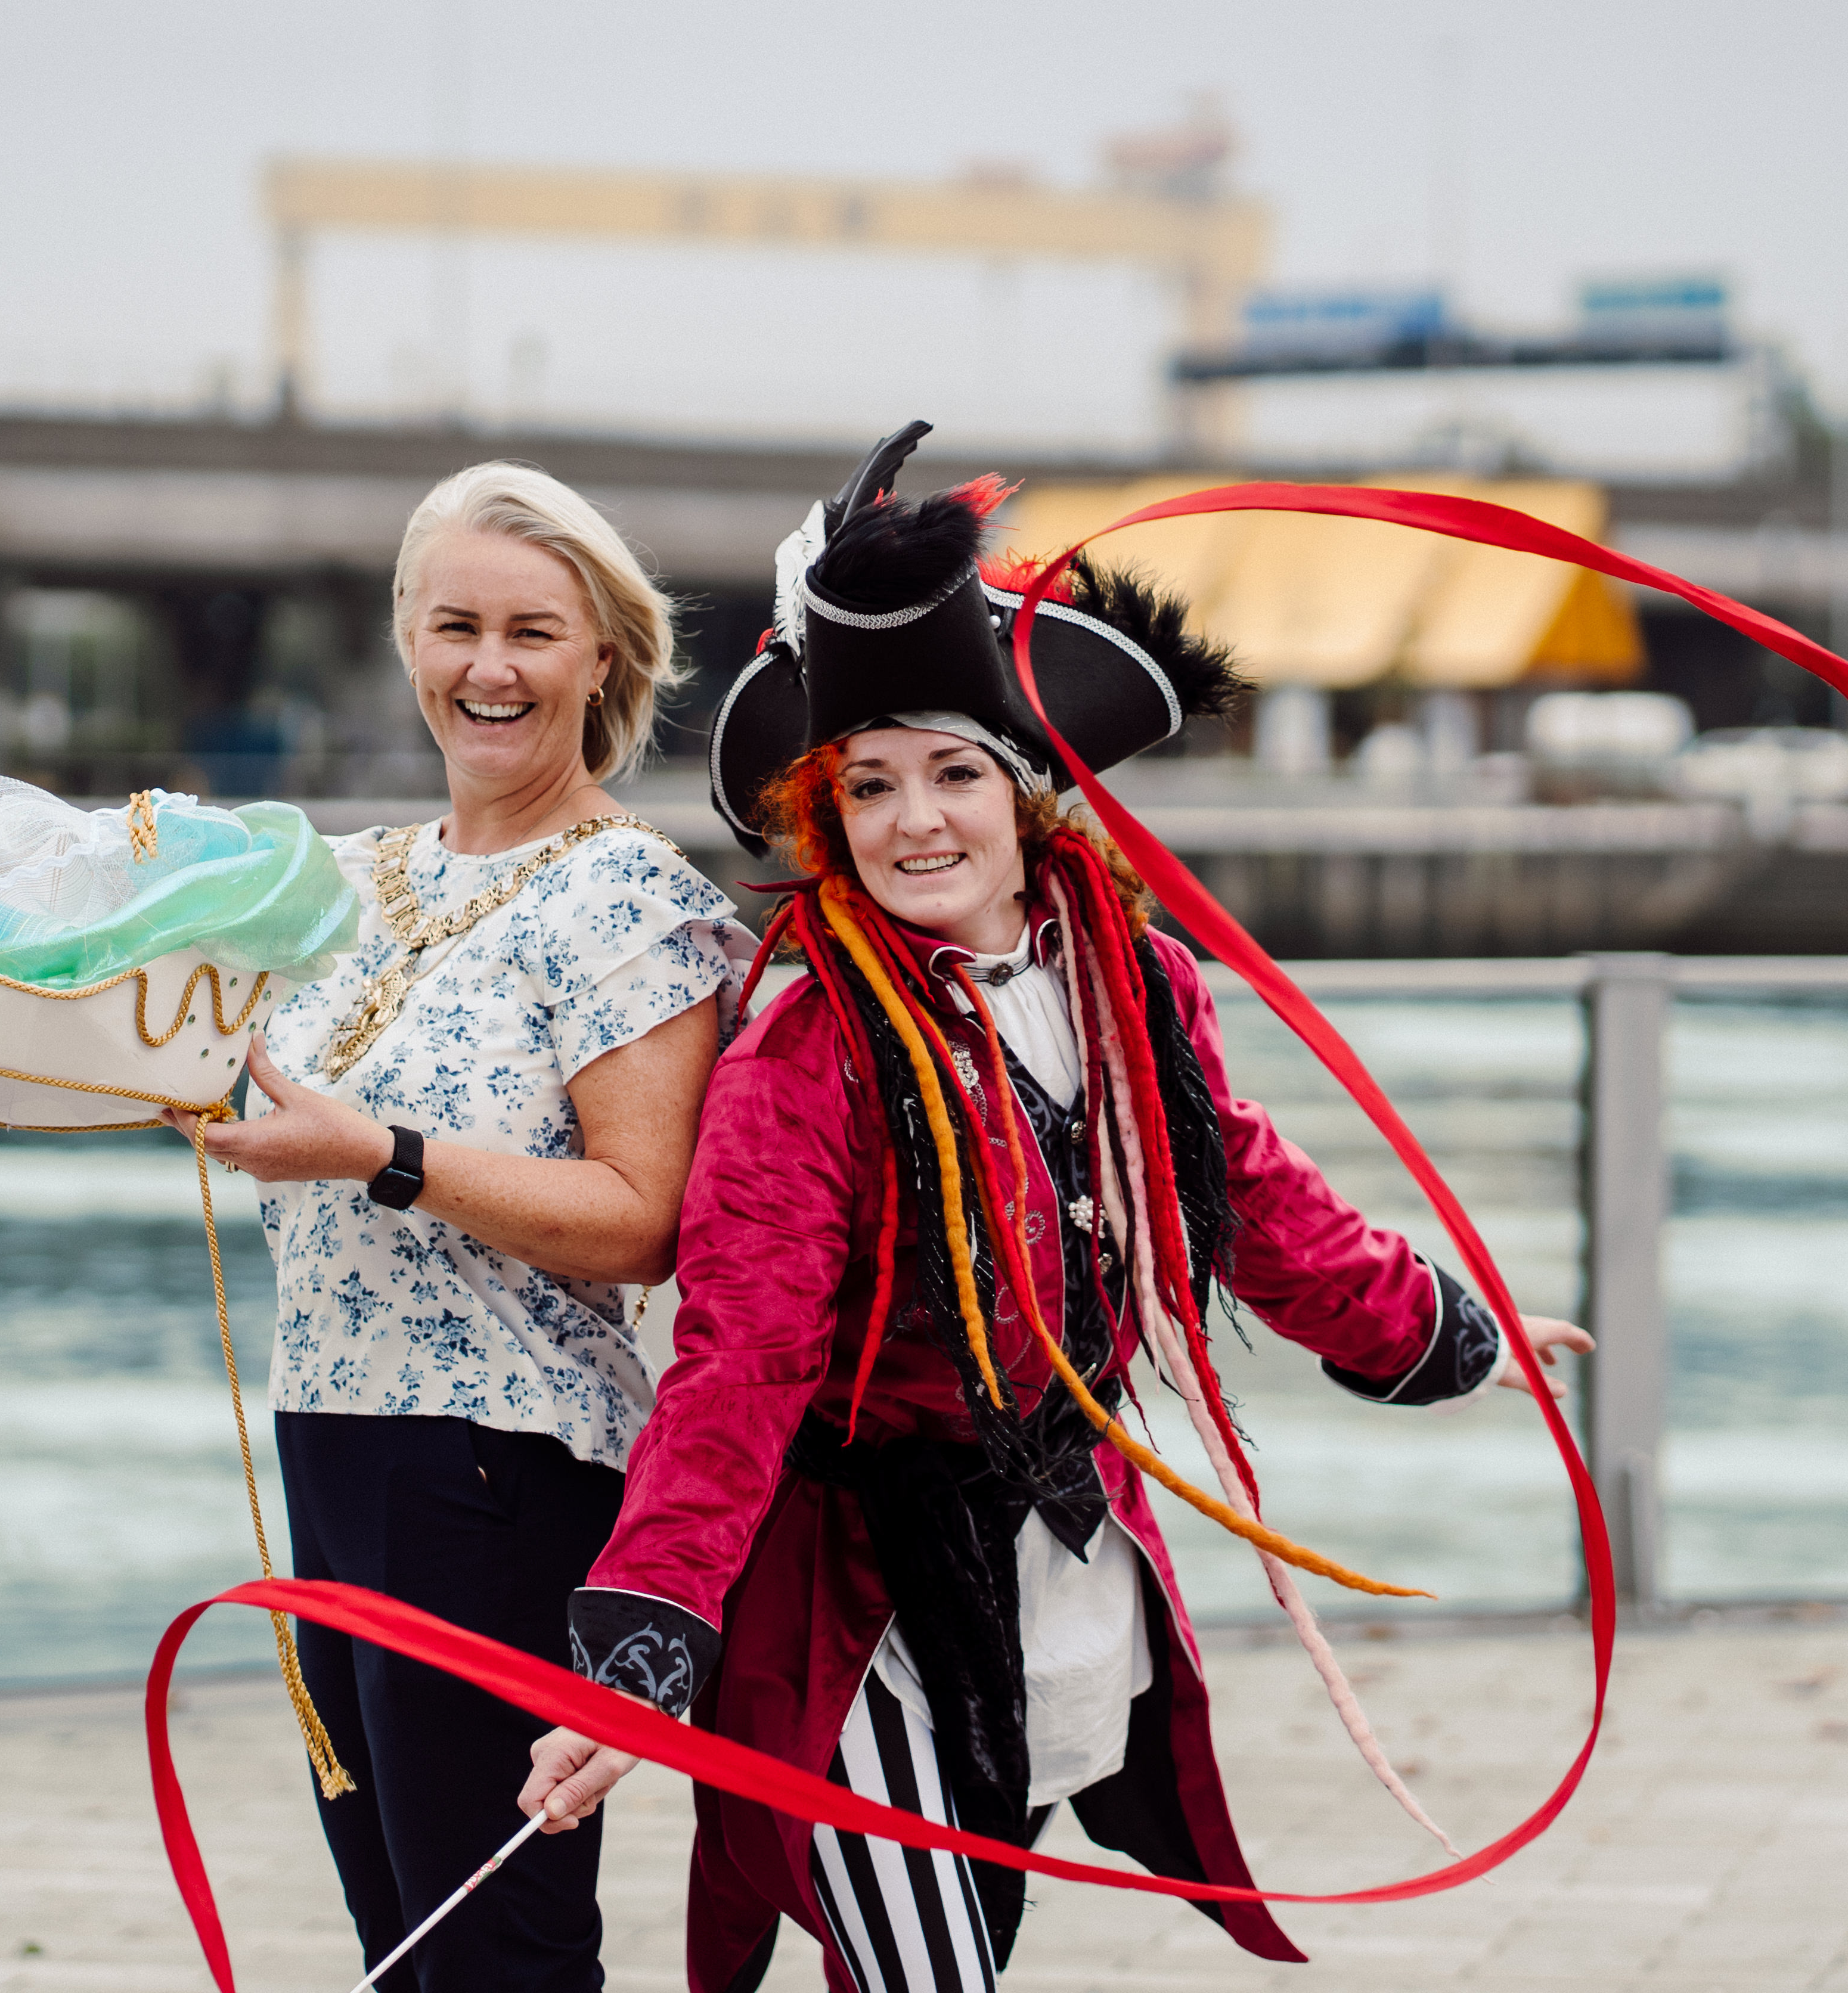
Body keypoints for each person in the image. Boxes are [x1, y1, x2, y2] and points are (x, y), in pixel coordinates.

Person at [514, 426, 1590, 1993]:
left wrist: (1449, 1336)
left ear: (1028, 798)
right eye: (869, 785)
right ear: (826, 812)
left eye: (955, 773)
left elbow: (1250, 1200)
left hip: (1063, 1568)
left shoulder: (1133, 982)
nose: (915, 821)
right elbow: (741, 1357)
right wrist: (646, 1637)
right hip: (860, 1607)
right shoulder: (806, 1048)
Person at [166, 462, 749, 1990]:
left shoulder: (631, 897)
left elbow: (643, 1219)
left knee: (497, 1959)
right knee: (404, 1952)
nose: (491, 667)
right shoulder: (346, 881)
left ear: (601, 657)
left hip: (500, 1465)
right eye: (457, 626)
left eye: (533, 631)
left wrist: (377, 1153)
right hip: (331, 1444)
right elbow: (114, 985)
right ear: (408, 640)